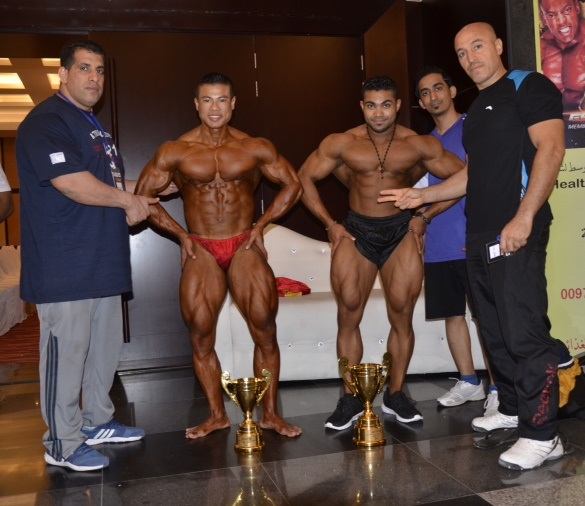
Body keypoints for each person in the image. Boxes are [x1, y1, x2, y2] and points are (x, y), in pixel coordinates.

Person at [380, 22, 574, 471]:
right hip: (479, 236)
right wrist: (421, 197)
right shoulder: (477, 111)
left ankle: (543, 434)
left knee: (523, 332)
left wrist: (524, 216)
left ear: (499, 46)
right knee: (494, 329)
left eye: (478, 46)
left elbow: (551, 149)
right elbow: (472, 174)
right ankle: (512, 408)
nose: (471, 58)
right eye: (462, 52)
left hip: (516, 229)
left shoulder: (527, 86)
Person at [134, 73, 303, 440]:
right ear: (197, 104)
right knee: (199, 331)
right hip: (202, 245)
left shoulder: (254, 147)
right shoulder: (176, 150)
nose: (215, 107)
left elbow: (293, 184)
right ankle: (216, 415)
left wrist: (262, 225)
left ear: (233, 104)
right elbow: (142, 198)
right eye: (208, 100)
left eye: (222, 99)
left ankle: (271, 414)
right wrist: (181, 235)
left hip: (243, 242)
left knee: (264, 326)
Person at [16, 40, 158, 472]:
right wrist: (128, 201)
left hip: (102, 261)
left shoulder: (92, 125)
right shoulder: (47, 120)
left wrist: (150, 189)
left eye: (99, 70)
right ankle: (61, 440)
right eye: (84, 68)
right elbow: (70, 182)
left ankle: (97, 421)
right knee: (67, 353)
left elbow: (105, 182)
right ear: (62, 74)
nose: (94, 78)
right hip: (65, 264)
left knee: (102, 350)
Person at [298, 76, 464, 429]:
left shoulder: (417, 144)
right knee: (348, 312)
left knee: (402, 314)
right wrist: (330, 224)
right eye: (371, 105)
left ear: (398, 106)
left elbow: (464, 179)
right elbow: (303, 178)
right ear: (362, 107)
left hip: (401, 230)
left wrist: (424, 216)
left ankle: (396, 393)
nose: (378, 113)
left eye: (386, 105)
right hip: (356, 230)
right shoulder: (342, 143)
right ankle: (350, 399)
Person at [414, 66, 498, 413]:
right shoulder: (424, 145)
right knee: (452, 315)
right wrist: (419, 225)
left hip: (472, 237)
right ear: (420, 103)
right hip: (438, 243)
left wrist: (425, 215)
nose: (432, 96)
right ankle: (469, 382)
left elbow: (471, 181)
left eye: (438, 88)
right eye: (425, 93)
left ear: (451, 91)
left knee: (486, 317)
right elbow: (421, 191)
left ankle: (498, 388)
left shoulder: (472, 126)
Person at [540, 0, 585, 112]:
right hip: (550, 119)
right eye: (551, 15)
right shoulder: (541, 46)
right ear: (543, 18)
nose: (561, 22)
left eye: (567, 10)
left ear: (577, 7)